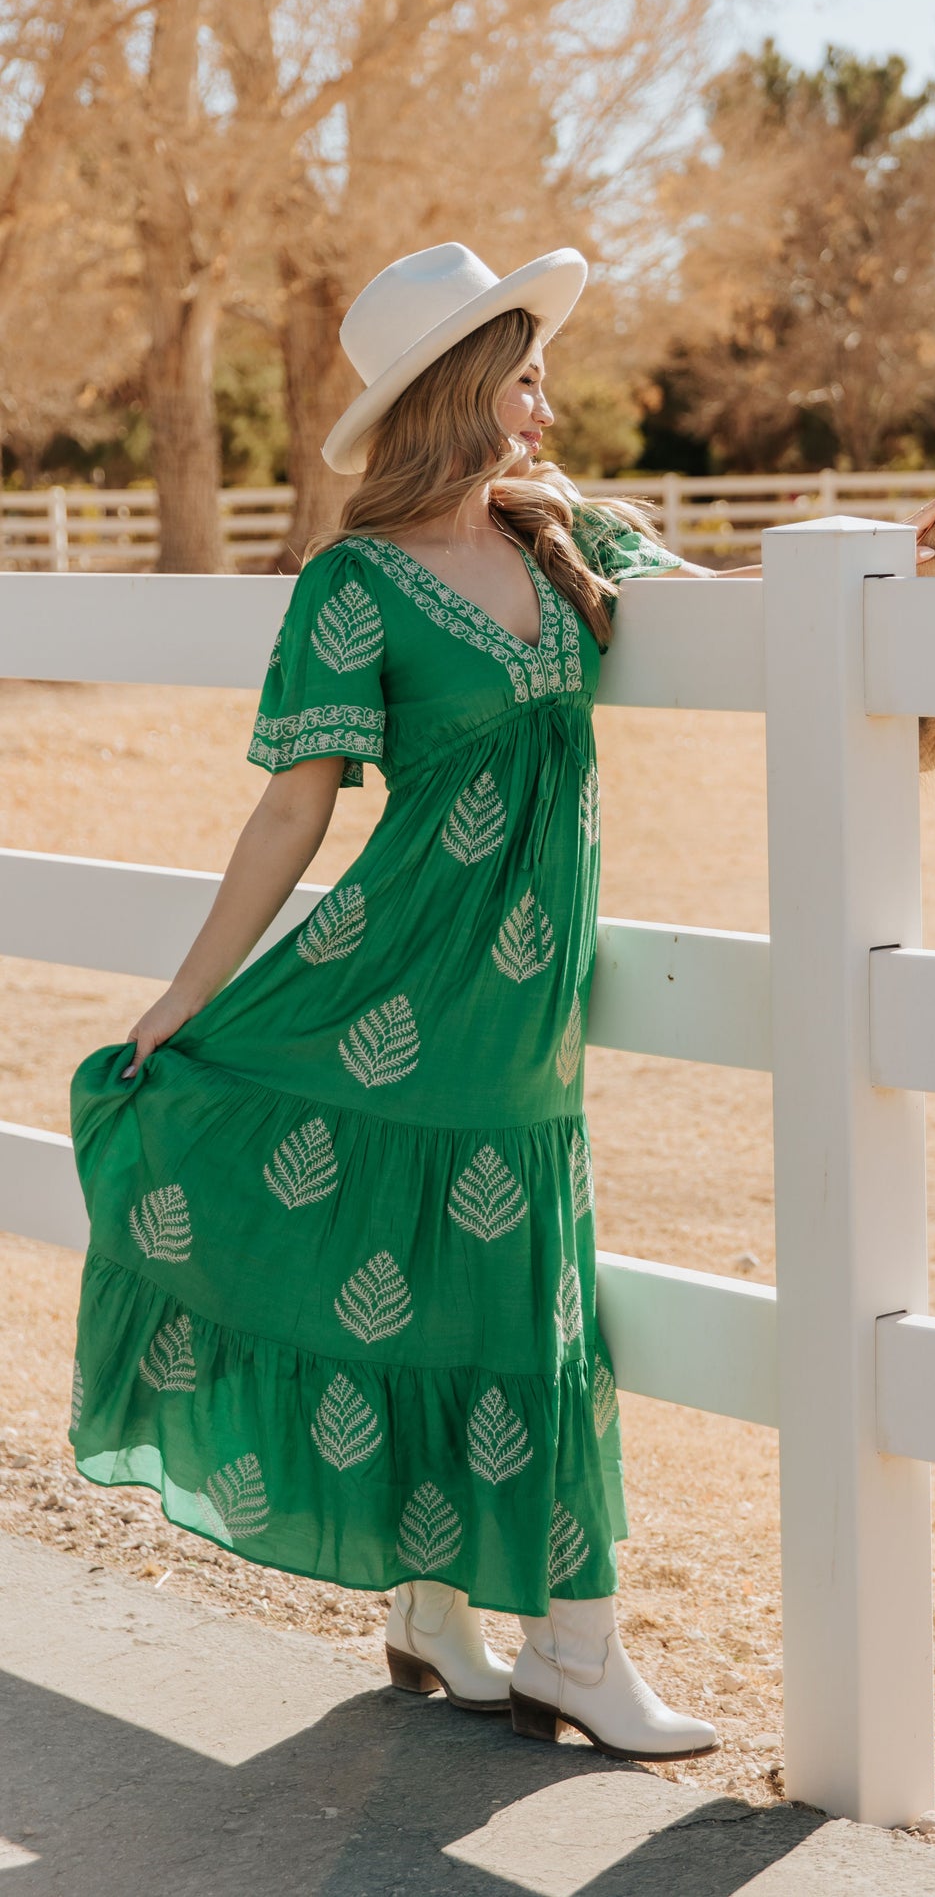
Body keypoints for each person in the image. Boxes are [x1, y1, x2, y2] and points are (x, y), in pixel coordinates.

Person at [67, 241, 725, 1761]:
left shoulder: (566, 545)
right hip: (401, 975)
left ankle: (440, 1611)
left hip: (519, 1005)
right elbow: (294, 817)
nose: (548, 403)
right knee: (488, 1295)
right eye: (525, 375)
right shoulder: (351, 587)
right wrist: (184, 996)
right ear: (460, 391)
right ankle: (576, 1642)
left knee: (486, 1288)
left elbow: (731, 613)